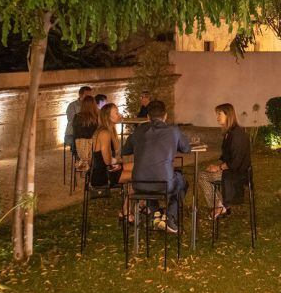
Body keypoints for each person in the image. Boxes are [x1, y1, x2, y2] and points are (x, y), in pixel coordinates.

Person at [123, 100, 191, 234]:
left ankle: (156, 214)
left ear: (147, 117)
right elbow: (186, 148)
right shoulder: (173, 130)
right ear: (165, 116)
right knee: (181, 181)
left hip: (139, 184)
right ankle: (169, 217)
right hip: (163, 184)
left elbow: (125, 150)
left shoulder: (138, 131)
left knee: (149, 178)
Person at [199, 103, 251, 220]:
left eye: (219, 114)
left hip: (237, 174)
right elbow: (228, 157)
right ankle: (221, 205)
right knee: (203, 173)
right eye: (217, 114)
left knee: (202, 176)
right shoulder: (229, 133)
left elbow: (236, 162)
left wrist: (219, 168)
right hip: (231, 170)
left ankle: (219, 206)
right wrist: (217, 166)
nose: (217, 117)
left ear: (228, 115)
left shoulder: (236, 134)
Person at [91, 103, 125, 190]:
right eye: (116, 113)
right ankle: (141, 202)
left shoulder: (111, 130)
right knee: (138, 174)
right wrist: (119, 160)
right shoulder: (104, 133)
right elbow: (107, 161)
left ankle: (133, 202)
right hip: (104, 174)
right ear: (108, 117)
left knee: (137, 167)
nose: (120, 115)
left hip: (111, 169)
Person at [65, 85, 92, 156]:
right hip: (73, 134)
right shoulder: (72, 106)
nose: (89, 98)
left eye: (90, 96)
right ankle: (83, 160)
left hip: (87, 134)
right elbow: (72, 121)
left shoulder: (91, 106)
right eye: (87, 96)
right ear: (80, 95)